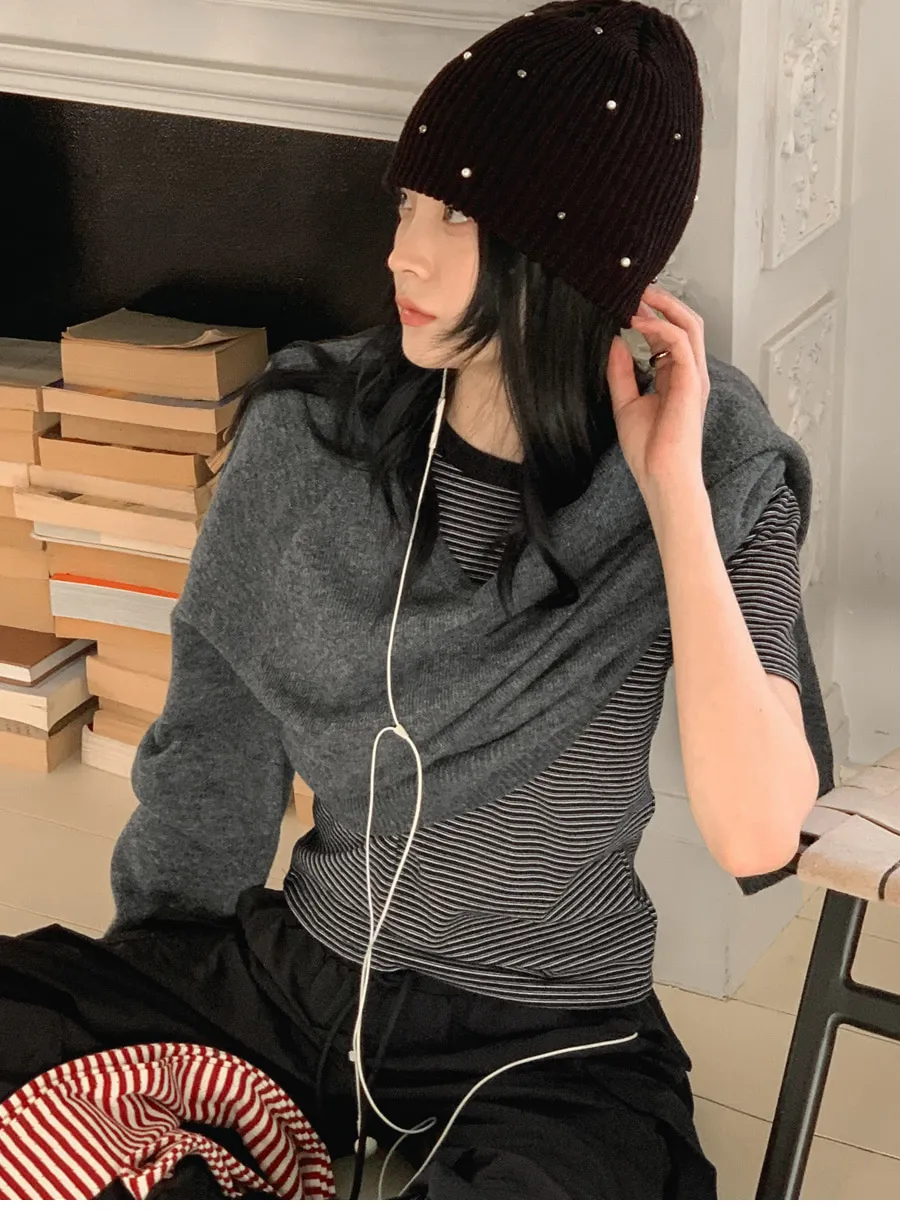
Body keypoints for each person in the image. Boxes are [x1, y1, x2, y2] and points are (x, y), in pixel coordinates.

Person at [0, 0, 834, 1199]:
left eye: (457, 217)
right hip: (300, 978)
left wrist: (671, 500)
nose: (402, 252)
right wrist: (154, 1025)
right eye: (407, 203)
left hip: (552, 1038)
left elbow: (760, 832)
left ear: (573, 255)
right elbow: (216, 723)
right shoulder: (311, 422)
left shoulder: (713, 458)